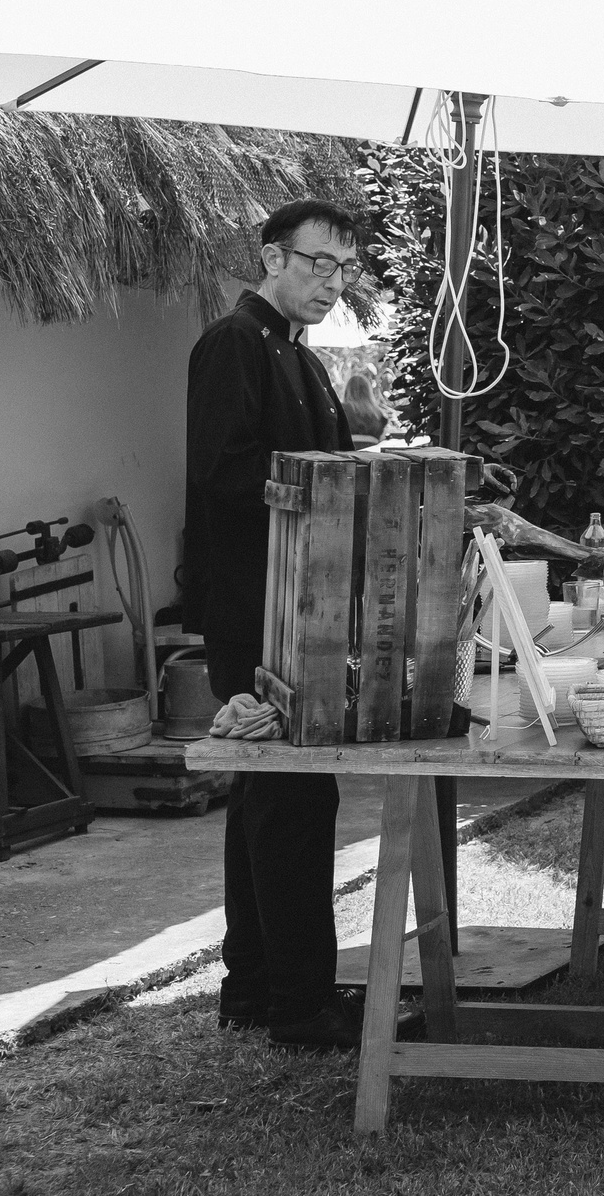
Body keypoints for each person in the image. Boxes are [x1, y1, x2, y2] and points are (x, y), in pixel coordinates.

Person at [185, 199, 362, 1047]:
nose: (333, 282)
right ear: (271, 257)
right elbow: (223, 471)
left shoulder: (306, 359)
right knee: (292, 796)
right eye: (318, 263)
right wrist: (324, 481)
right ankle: (300, 1002)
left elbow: (333, 469)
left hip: (300, 609)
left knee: (265, 795)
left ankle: (254, 985)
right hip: (253, 610)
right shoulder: (233, 343)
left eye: (344, 269)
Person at [340, 371, 391, 449]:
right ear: (368, 391)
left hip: (346, 450)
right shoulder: (378, 414)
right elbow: (382, 438)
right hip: (372, 451)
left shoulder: (341, 409)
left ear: (347, 390)